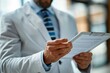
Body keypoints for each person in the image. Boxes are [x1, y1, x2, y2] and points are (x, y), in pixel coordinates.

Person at [0, 0, 92, 73]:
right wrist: (43, 59)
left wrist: (84, 65)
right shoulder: (10, 18)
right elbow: (5, 65)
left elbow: (73, 56)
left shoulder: (69, 18)